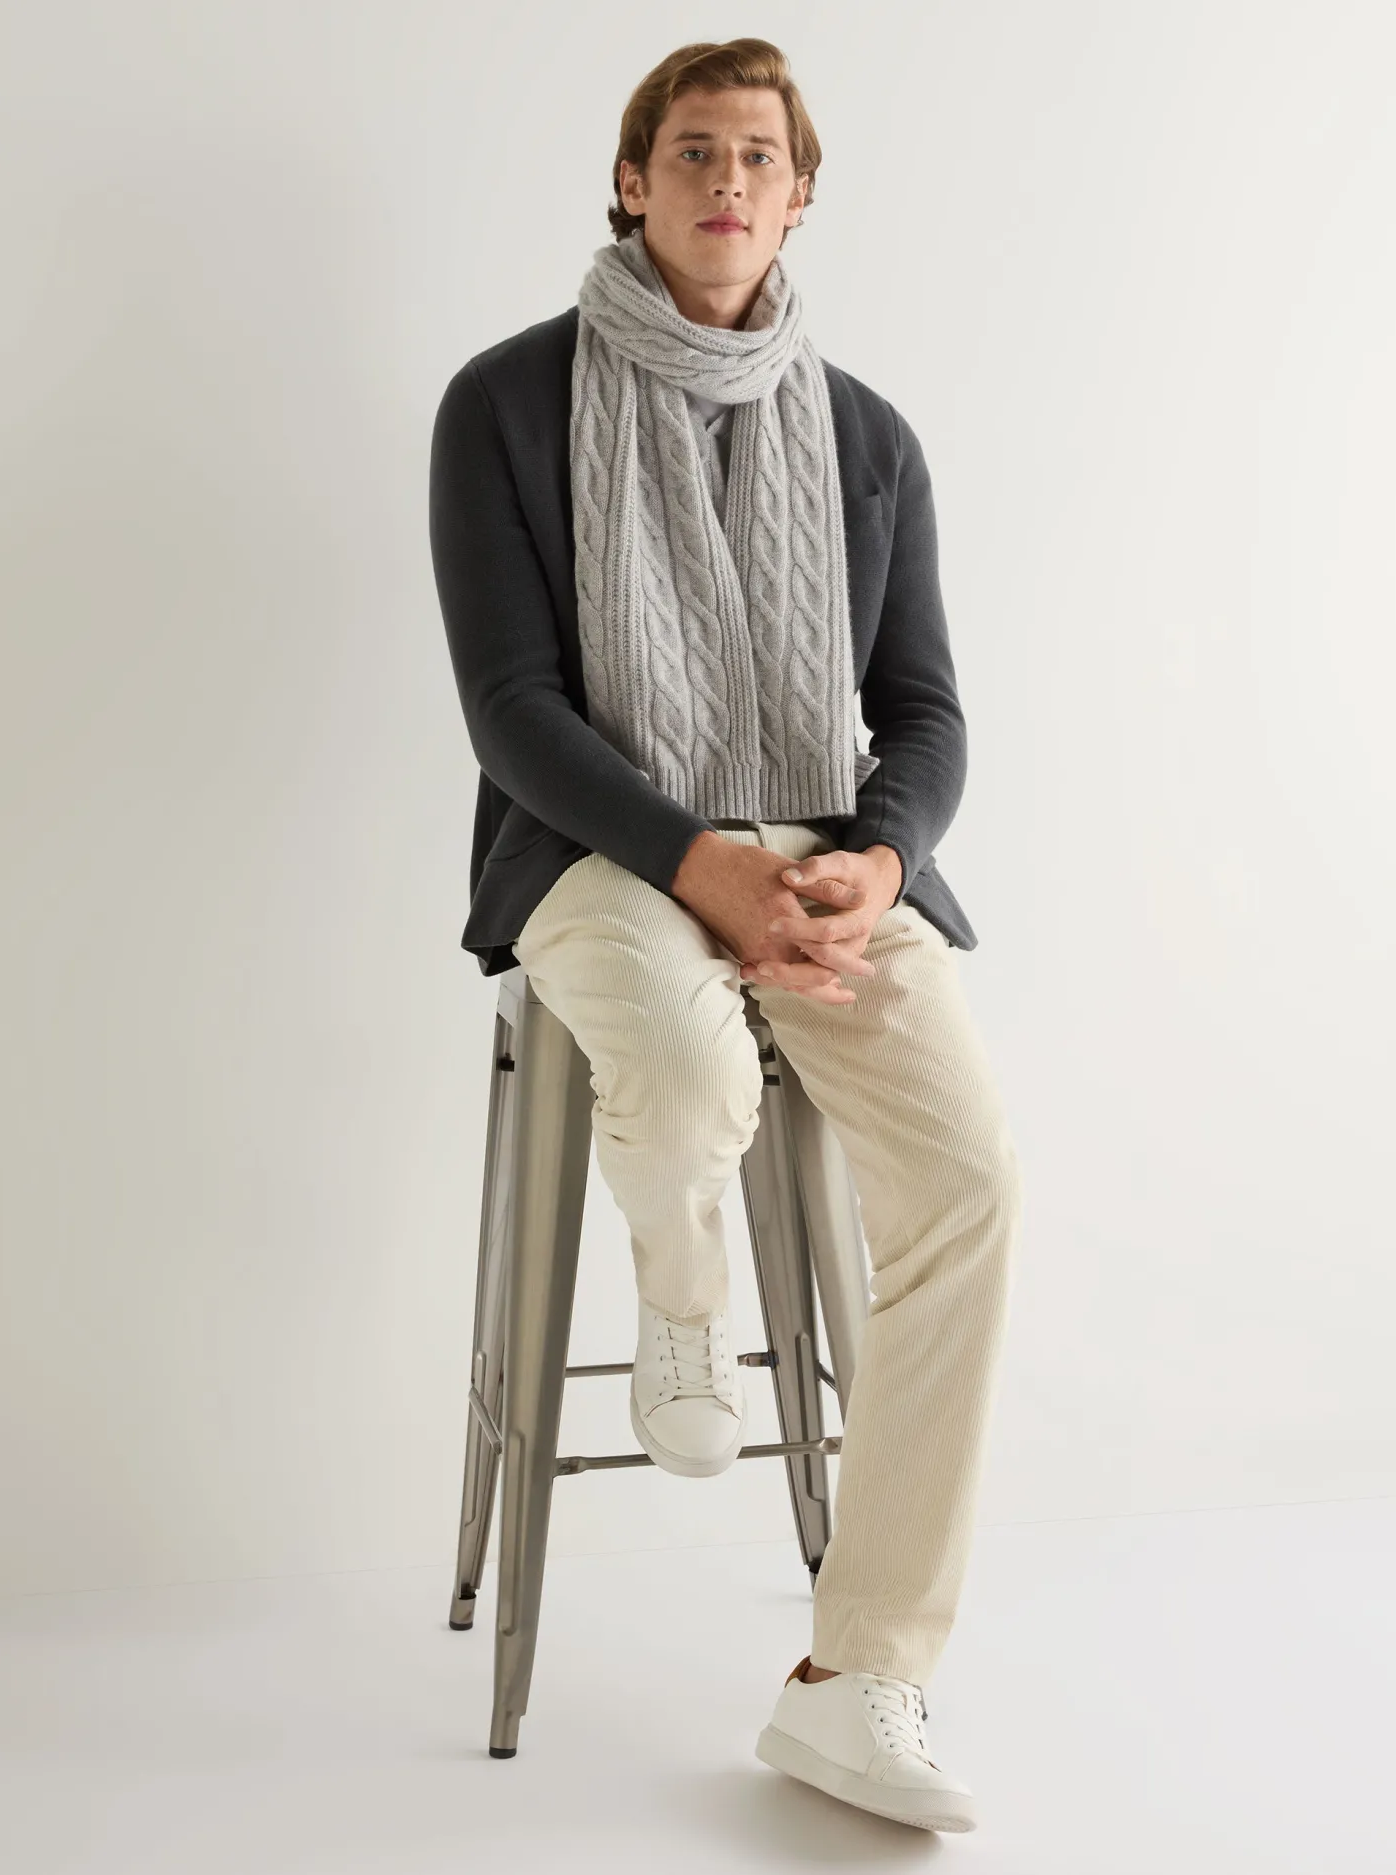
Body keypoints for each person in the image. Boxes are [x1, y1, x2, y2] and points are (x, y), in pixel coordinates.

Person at [429, 37, 1022, 1834]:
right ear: (634, 182)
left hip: (822, 850)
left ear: (800, 195)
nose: (726, 183)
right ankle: (683, 1309)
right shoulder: (505, 403)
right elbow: (514, 708)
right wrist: (701, 864)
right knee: (686, 1069)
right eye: (692, 152)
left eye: (759, 156)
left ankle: (858, 1677)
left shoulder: (866, 435)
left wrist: (880, 857)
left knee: (971, 1180)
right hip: (597, 848)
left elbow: (922, 711)